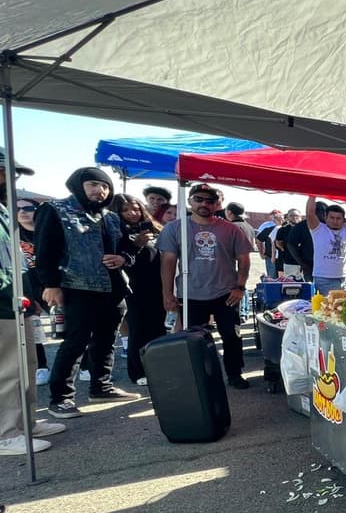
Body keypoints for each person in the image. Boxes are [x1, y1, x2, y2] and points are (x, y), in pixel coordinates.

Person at [35, 167, 140, 419]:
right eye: (93, 184)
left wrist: (123, 258)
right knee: (75, 343)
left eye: (105, 186)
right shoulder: (55, 210)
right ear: (78, 185)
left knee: (106, 340)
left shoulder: (111, 217)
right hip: (76, 287)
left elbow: (129, 248)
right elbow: (44, 251)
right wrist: (51, 284)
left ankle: (101, 387)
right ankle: (60, 399)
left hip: (113, 289)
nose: (99, 190)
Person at [157, 183, 253, 389]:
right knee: (194, 339)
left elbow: (244, 259)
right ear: (190, 200)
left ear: (217, 204)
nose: (204, 204)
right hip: (191, 293)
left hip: (225, 292)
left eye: (210, 201)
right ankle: (200, 376)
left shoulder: (231, 229)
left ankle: (235, 373)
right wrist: (167, 294)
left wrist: (240, 286)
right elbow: (168, 261)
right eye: (198, 199)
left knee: (232, 335)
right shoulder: (175, 228)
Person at [0, 151, 64, 454]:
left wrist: (29, 296)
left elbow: (14, 260)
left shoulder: (3, 210)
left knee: (26, 364)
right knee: (7, 369)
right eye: (6, 173)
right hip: (1, 302)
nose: (11, 181)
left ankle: (26, 421)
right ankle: (6, 431)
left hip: (18, 299)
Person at [111, 194, 167, 386]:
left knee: (158, 327)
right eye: (125, 210)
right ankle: (138, 371)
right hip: (133, 288)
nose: (132, 213)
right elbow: (120, 258)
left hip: (157, 285)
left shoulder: (153, 228)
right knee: (138, 330)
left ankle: (158, 365)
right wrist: (136, 244)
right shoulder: (116, 232)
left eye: (135, 208)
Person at [15, 196, 51, 385]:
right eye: (17, 208)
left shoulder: (51, 230)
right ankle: (41, 367)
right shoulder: (12, 234)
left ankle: (85, 366)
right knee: (33, 329)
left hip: (56, 286)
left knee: (73, 328)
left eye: (28, 208)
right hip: (29, 288)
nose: (22, 212)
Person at [306, 196, 346, 294]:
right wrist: (312, 194)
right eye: (332, 218)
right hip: (323, 278)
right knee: (325, 308)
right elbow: (310, 213)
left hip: (342, 278)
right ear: (326, 218)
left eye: (338, 218)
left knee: (340, 307)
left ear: (344, 219)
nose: (335, 221)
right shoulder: (318, 230)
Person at [286, 199, 326, 280]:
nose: (322, 214)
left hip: (327, 266)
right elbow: (291, 245)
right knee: (312, 291)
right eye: (318, 211)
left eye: (324, 211)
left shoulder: (329, 225)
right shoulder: (301, 226)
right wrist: (302, 263)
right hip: (310, 265)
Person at [274, 208, 302, 277]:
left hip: (304, 262)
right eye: (291, 215)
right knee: (290, 283)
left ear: (300, 217)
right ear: (288, 217)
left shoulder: (306, 229)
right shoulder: (283, 229)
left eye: (296, 215)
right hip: (289, 261)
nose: (294, 217)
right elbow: (278, 242)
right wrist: (284, 249)